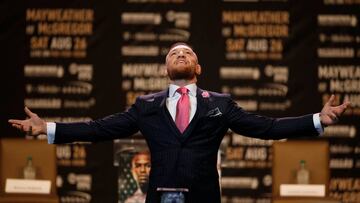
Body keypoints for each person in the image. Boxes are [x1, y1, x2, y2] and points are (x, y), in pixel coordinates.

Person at [9, 42, 350, 203]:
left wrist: (318, 119)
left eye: (188, 53)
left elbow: (268, 128)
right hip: (159, 197)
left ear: (198, 68)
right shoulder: (146, 105)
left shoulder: (220, 103)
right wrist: (48, 128)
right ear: (165, 69)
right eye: (174, 53)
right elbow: (100, 129)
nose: (181, 55)